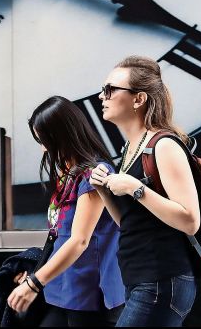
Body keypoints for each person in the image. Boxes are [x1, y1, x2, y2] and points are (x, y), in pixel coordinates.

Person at [89, 55, 200, 327]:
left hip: (162, 280)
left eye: (110, 90)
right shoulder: (130, 149)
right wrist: (103, 190)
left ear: (138, 99)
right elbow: (128, 222)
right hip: (140, 280)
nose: (102, 96)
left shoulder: (164, 145)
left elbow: (190, 220)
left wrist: (135, 187)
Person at [7, 96, 125, 327]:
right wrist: (35, 273)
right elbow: (58, 236)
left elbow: (79, 240)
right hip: (63, 288)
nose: (43, 148)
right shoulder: (68, 173)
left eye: (44, 140)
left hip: (89, 293)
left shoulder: (94, 174)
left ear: (61, 136)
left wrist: (34, 283)